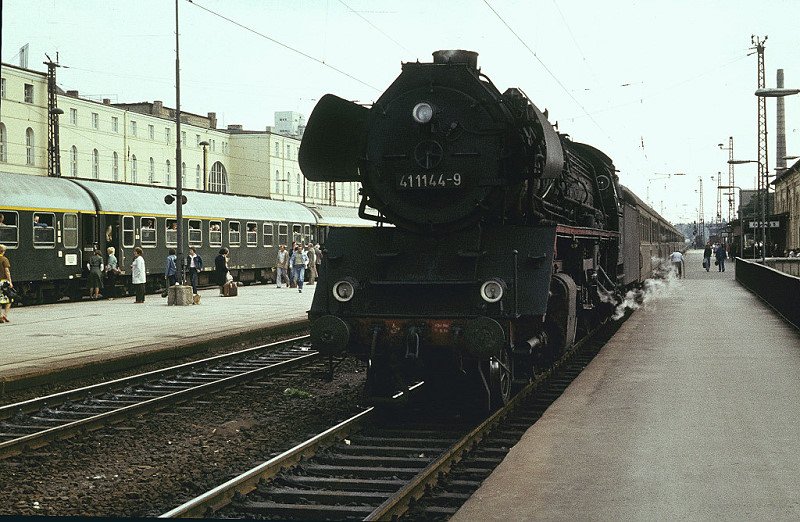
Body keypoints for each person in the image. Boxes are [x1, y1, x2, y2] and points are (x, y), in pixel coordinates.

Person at [0, 244, 12, 323]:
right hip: (3, 282)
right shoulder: (4, 259)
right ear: (3, 251)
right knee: (9, 299)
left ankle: (0, 315)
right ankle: (5, 315)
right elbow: (7, 271)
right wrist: (10, 281)